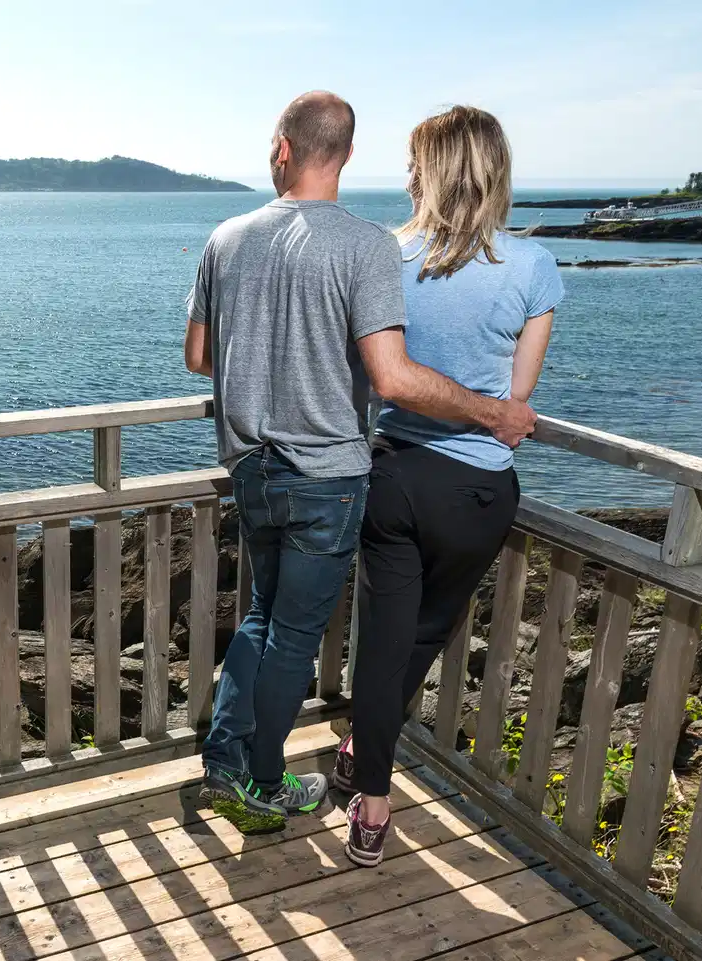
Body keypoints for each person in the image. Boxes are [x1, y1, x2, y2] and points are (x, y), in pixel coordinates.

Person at [184, 91, 537, 834]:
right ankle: (263, 782)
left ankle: (224, 759)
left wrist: (271, 355)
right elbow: (393, 378)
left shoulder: (226, 235)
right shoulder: (367, 245)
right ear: (344, 155)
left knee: (260, 613)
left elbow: (199, 357)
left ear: (282, 149)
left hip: (250, 462)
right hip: (328, 476)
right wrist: (492, 412)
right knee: (291, 635)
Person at [335, 105, 562, 866]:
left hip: (393, 475)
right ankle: (364, 750)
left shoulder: (381, 255)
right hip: (476, 490)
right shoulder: (533, 266)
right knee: (424, 638)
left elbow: (369, 371)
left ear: (424, 171)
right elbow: (517, 402)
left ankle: (370, 800)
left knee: (382, 642)